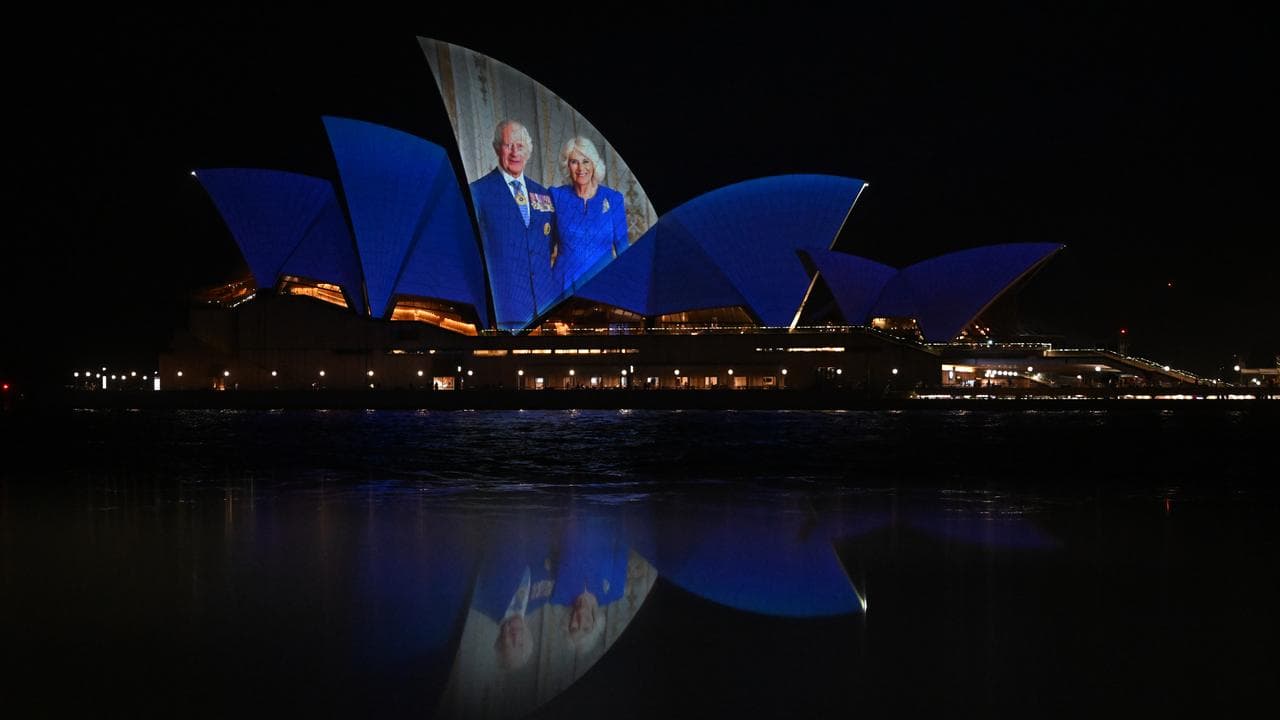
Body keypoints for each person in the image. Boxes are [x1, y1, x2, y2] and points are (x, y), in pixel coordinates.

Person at [469, 120, 559, 330]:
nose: (514, 153)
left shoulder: (543, 194)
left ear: (528, 151)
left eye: (520, 146)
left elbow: (551, 246)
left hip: (545, 311)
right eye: (508, 145)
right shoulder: (478, 192)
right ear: (496, 148)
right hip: (503, 312)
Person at [548, 136, 628, 296]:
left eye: (586, 161)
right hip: (563, 288)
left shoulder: (613, 199)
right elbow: (545, 247)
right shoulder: (555, 196)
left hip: (604, 285)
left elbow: (623, 249)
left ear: (594, 164)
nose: (580, 168)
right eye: (574, 162)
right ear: (567, 166)